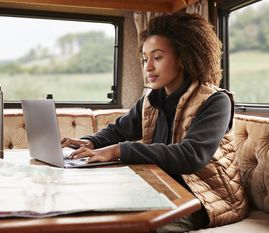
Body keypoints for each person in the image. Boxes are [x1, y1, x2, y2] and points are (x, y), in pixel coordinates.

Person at [61, 12, 247, 232]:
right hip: (162, 188)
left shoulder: (217, 101)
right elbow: (118, 131)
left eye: (157, 57)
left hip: (207, 199)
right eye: (144, 58)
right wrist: (90, 142)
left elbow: (191, 156)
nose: (148, 67)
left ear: (182, 58)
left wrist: (118, 151)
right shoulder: (151, 100)